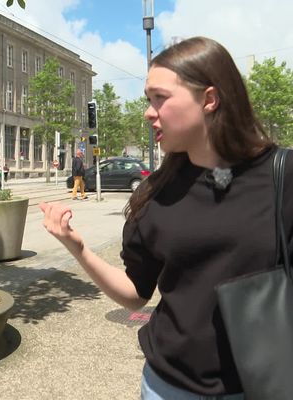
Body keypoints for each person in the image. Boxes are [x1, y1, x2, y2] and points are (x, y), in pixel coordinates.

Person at [40, 36, 293, 398]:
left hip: (261, 386)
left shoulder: (282, 177)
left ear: (209, 99)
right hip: (166, 388)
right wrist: (77, 246)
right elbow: (135, 294)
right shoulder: (155, 193)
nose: (148, 111)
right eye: (148, 99)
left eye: (160, 97)